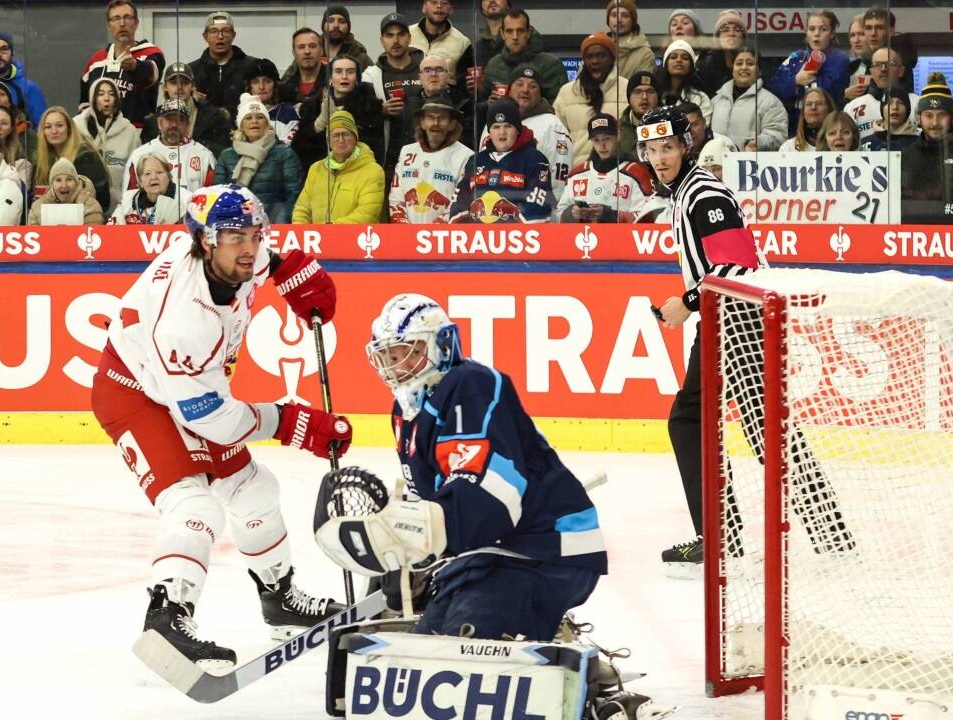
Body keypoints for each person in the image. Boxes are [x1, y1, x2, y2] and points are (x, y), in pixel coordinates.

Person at [92, 183, 351, 667]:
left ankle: (279, 598)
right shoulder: (184, 319)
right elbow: (217, 421)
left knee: (255, 490)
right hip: (136, 393)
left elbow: (265, 257)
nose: (250, 247)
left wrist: (292, 270)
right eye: (236, 237)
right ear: (205, 242)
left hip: (187, 390)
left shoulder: (236, 254)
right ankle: (167, 617)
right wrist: (291, 421)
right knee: (194, 505)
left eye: (257, 234)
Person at [316, 292, 606, 644]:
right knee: (425, 646)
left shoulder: (471, 384)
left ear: (442, 345)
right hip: (484, 555)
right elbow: (433, 497)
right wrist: (408, 561)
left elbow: (494, 491)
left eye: (409, 352)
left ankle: (581, 672)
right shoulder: (405, 413)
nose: (397, 367)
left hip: (544, 550)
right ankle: (538, 629)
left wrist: (420, 535)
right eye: (389, 356)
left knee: (462, 648)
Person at [637, 105, 852, 570]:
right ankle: (746, 534)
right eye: (652, 149)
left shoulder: (703, 193)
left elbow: (738, 268)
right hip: (725, 319)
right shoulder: (684, 195)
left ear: (685, 146)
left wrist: (687, 303)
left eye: (667, 147)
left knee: (728, 425)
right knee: (718, 422)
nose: (659, 158)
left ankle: (741, 536)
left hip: (737, 319)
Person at [476, 64, 573, 200]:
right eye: (519, 84)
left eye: (533, 86)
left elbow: (559, 181)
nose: (525, 90)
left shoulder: (552, 125)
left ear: (540, 93)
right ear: (509, 89)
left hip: (530, 209)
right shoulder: (492, 122)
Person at [900, 73, 953, 223]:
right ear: (919, 118)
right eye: (928, 115)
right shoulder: (906, 156)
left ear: (952, 118)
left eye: (941, 115)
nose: (935, 123)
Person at [450, 97, 552, 223]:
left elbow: (539, 207)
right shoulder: (476, 160)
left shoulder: (535, 160)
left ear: (518, 130)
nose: (502, 132)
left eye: (508, 126)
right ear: (489, 131)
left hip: (516, 237)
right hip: (477, 237)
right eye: (496, 127)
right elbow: (459, 201)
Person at [214, 93, 302, 223]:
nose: (254, 121)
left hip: (275, 224)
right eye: (248, 118)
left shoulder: (284, 153)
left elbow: (293, 196)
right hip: (238, 224)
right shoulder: (227, 156)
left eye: (260, 117)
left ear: (267, 123)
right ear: (240, 125)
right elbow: (218, 195)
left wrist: (277, 225)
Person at [389, 91, 473, 223]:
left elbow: (461, 203)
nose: (435, 123)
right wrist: (404, 231)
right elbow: (396, 198)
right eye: (430, 117)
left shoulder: (466, 156)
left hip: (443, 238)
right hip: (406, 237)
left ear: (452, 124)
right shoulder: (406, 151)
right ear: (422, 122)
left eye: (442, 118)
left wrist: (432, 233)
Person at [80, 0, 167, 126]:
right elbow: (84, 103)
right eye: (116, 18)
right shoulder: (95, 61)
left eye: (127, 17)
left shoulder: (152, 53)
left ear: (136, 23)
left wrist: (134, 66)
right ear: (108, 26)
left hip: (139, 136)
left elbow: (151, 74)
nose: (122, 24)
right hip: (101, 137)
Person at [555, 113, 652, 222]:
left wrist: (612, 216)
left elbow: (649, 217)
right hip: (583, 237)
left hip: (622, 238)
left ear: (618, 135)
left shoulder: (637, 173)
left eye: (607, 138)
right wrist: (571, 214)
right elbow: (558, 215)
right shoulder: (576, 175)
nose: (602, 145)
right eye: (596, 140)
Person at [292, 109, 385, 224]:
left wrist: (331, 229)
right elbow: (302, 209)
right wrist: (302, 232)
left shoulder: (373, 170)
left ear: (355, 138)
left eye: (346, 134)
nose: (341, 140)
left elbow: (367, 214)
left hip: (355, 239)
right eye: (335, 135)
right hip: (317, 240)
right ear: (328, 141)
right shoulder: (316, 169)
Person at [292, 56, 384, 169]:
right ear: (330, 78)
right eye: (338, 71)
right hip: (321, 174)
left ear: (357, 78)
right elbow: (300, 149)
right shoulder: (312, 107)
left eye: (350, 72)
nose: (344, 76)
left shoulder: (370, 107)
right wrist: (320, 123)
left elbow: (371, 148)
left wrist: (338, 119)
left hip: (355, 173)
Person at [766, 10, 849, 131]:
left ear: (832, 33)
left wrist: (804, 84)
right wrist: (795, 81)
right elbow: (774, 87)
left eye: (823, 29)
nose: (817, 34)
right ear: (806, 32)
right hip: (794, 128)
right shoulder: (797, 57)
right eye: (812, 29)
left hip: (828, 127)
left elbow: (830, 91)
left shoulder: (840, 59)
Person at [362, 13, 424, 171]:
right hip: (389, 158)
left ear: (409, 38)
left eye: (401, 35)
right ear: (381, 41)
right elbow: (362, 116)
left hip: (426, 153)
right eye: (389, 36)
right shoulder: (370, 75)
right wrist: (381, 110)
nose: (395, 41)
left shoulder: (427, 69)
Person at [554, 32, 627, 166]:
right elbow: (558, 138)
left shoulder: (626, 89)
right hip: (578, 173)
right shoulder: (567, 92)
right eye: (589, 56)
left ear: (612, 58)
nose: (595, 61)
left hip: (620, 172)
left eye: (601, 55)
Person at [124, 99, 216, 201]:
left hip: (191, 215)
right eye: (169, 119)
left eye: (180, 119)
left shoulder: (204, 156)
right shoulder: (139, 154)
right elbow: (129, 199)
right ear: (159, 123)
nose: (174, 125)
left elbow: (211, 199)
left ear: (188, 125)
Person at [74, 77, 141, 207]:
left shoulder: (130, 132)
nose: (106, 98)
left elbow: (137, 173)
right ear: (92, 98)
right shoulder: (76, 126)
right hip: (80, 204)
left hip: (118, 206)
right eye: (101, 94)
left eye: (111, 94)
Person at [140, 62, 229, 158]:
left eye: (185, 83)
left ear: (193, 86)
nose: (179, 87)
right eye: (174, 82)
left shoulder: (213, 117)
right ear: (165, 87)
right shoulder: (152, 123)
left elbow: (224, 153)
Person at [33, 105, 111, 212]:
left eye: (59, 125)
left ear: (69, 129)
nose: (54, 131)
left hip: (86, 219)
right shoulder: (40, 159)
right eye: (48, 127)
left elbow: (102, 201)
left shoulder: (86, 156)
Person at [710, 46, 788, 151]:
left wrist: (757, 143)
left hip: (749, 165)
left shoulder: (771, 103)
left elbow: (778, 137)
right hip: (717, 165)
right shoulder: (716, 101)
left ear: (759, 71)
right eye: (739, 63)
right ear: (732, 69)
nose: (744, 67)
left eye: (750, 63)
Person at [483, 9, 566, 105]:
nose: (515, 37)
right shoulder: (493, 65)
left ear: (528, 33)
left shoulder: (551, 65)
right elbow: (480, 104)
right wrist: (488, 104)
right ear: (502, 34)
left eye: (520, 31)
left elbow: (560, 107)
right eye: (509, 31)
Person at [842, 45, 917, 142]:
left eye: (890, 64)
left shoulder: (916, 103)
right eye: (877, 65)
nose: (883, 69)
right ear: (871, 72)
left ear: (901, 71)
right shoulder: (853, 107)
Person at [188, 12, 258, 115]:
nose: (220, 36)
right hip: (204, 129)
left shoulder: (253, 66)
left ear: (233, 35)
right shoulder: (191, 71)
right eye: (214, 31)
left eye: (225, 31)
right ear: (205, 36)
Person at [109, 151, 182, 224]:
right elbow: (111, 230)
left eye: (159, 172)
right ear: (140, 181)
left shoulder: (185, 200)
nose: (153, 177)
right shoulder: (127, 199)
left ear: (168, 177)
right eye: (148, 173)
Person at [27, 157, 104, 225]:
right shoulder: (38, 207)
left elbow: (91, 235)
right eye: (58, 180)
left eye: (69, 179)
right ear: (52, 185)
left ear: (76, 183)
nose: (64, 185)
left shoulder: (91, 206)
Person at [408, 0, 471, 80]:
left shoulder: (463, 43)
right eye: (434, 2)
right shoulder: (406, 34)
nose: (439, 6)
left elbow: (464, 84)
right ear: (424, 7)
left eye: (444, 3)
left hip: (446, 91)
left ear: (451, 9)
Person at [657, 39, 712, 124]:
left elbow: (702, 130)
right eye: (673, 57)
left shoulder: (700, 99)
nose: (679, 60)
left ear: (691, 66)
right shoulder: (655, 95)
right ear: (666, 63)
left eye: (685, 58)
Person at [695, 9, 746, 95]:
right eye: (725, 30)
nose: (731, 34)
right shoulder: (705, 67)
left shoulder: (753, 64)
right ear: (718, 37)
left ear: (743, 37)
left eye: (737, 30)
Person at [606, 0, 654, 81]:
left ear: (633, 21)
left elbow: (643, 89)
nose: (619, 19)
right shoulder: (597, 47)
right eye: (614, 15)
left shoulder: (645, 54)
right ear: (608, 20)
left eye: (625, 15)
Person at [858, 86, 916, 152]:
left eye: (900, 103)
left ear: (907, 110)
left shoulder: (918, 144)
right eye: (889, 102)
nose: (895, 107)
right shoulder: (865, 144)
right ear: (882, 110)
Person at [278, 28, 326, 106]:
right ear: (294, 53)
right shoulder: (284, 87)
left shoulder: (335, 80)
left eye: (312, 46)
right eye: (301, 47)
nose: (307, 51)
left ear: (321, 51)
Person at [618, 70, 659, 159]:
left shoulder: (671, 126)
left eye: (650, 91)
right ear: (629, 98)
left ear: (658, 97)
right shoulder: (616, 129)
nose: (644, 96)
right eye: (637, 92)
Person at [780, 87, 833, 153]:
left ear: (829, 109)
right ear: (803, 112)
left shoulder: (839, 145)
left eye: (819, 103)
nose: (813, 107)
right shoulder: (788, 148)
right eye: (808, 104)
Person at [321, 5, 373, 70]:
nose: (336, 25)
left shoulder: (360, 58)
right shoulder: (311, 52)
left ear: (348, 27)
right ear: (323, 25)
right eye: (330, 21)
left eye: (341, 21)